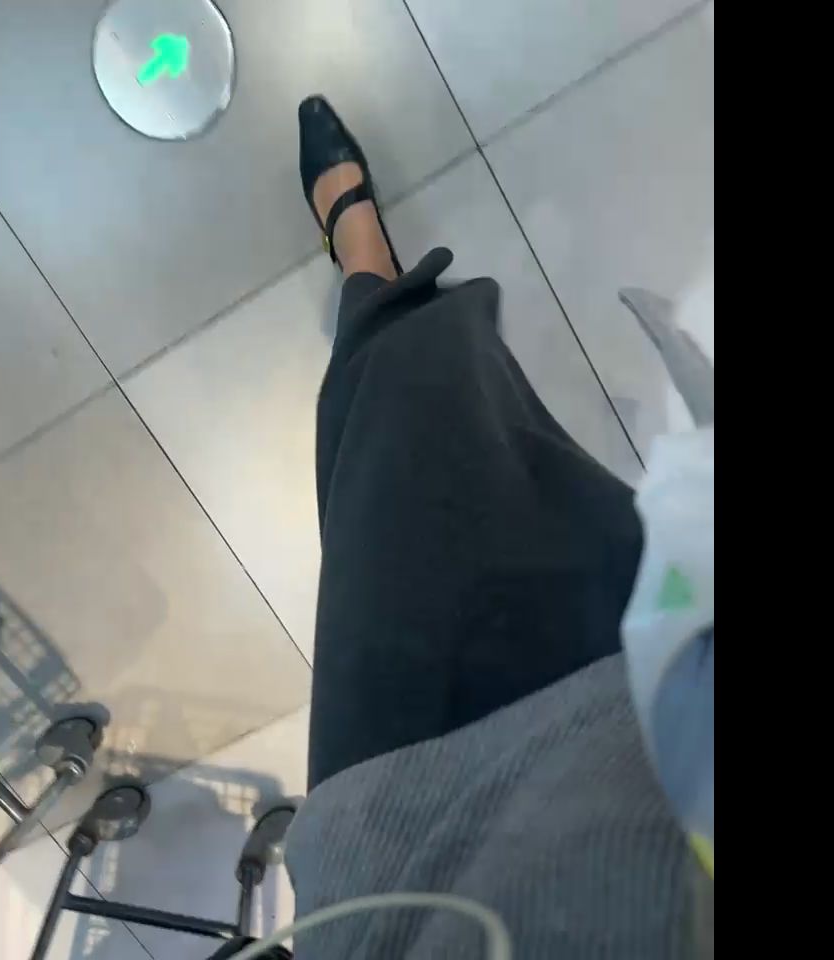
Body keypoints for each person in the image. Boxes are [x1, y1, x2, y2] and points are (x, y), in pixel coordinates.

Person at [283, 96, 710, 958]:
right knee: (445, 408)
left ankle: (366, 267)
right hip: (654, 696)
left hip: (402, 843)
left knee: (406, 396)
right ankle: (375, 293)